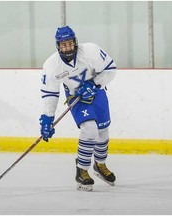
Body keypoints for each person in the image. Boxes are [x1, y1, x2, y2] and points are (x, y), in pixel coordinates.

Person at [39, 26, 116, 191]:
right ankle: (82, 170)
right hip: (76, 97)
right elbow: (50, 93)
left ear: (75, 42)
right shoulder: (52, 65)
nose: (67, 47)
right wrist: (47, 118)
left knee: (103, 131)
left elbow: (110, 69)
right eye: (63, 44)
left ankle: (100, 165)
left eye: (69, 43)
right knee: (90, 129)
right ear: (58, 46)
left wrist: (95, 84)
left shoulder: (91, 52)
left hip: (97, 91)